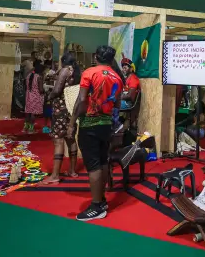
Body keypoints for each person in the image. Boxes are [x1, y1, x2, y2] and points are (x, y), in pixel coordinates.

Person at [67, 45, 123, 221]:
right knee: (103, 160)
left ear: (96, 57)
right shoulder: (117, 77)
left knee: (93, 165)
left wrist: (72, 123)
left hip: (90, 124)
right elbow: (117, 105)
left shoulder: (90, 73)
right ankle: (102, 199)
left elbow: (82, 100)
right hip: (106, 124)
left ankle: (97, 205)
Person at [42, 53, 81, 184]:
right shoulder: (76, 72)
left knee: (58, 141)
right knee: (71, 139)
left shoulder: (65, 70)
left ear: (63, 61)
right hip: (71, 109)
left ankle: (55, 175)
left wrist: (48, 97)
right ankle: (72, 170)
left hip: (61, 109)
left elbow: (58, 90)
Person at [117, 58, 141, 127]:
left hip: (128, 103)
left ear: (131, 69)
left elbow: (130, 96)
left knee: (109, 105)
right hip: (123, 101)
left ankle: (117, 125)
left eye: (125, 68)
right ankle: (118, 124)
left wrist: (117, 97)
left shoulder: (133, 78)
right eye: (123, 68)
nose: (123, 69)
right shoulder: (126, 79)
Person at [23, 63, 45, 134]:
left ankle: (25, 128)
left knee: (28, 112)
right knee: (33, 113)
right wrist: (45, 92)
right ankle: (31, 129)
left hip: (28, 95)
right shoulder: (39, 77)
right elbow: (41, 90)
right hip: (36, 96)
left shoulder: (29, 75)